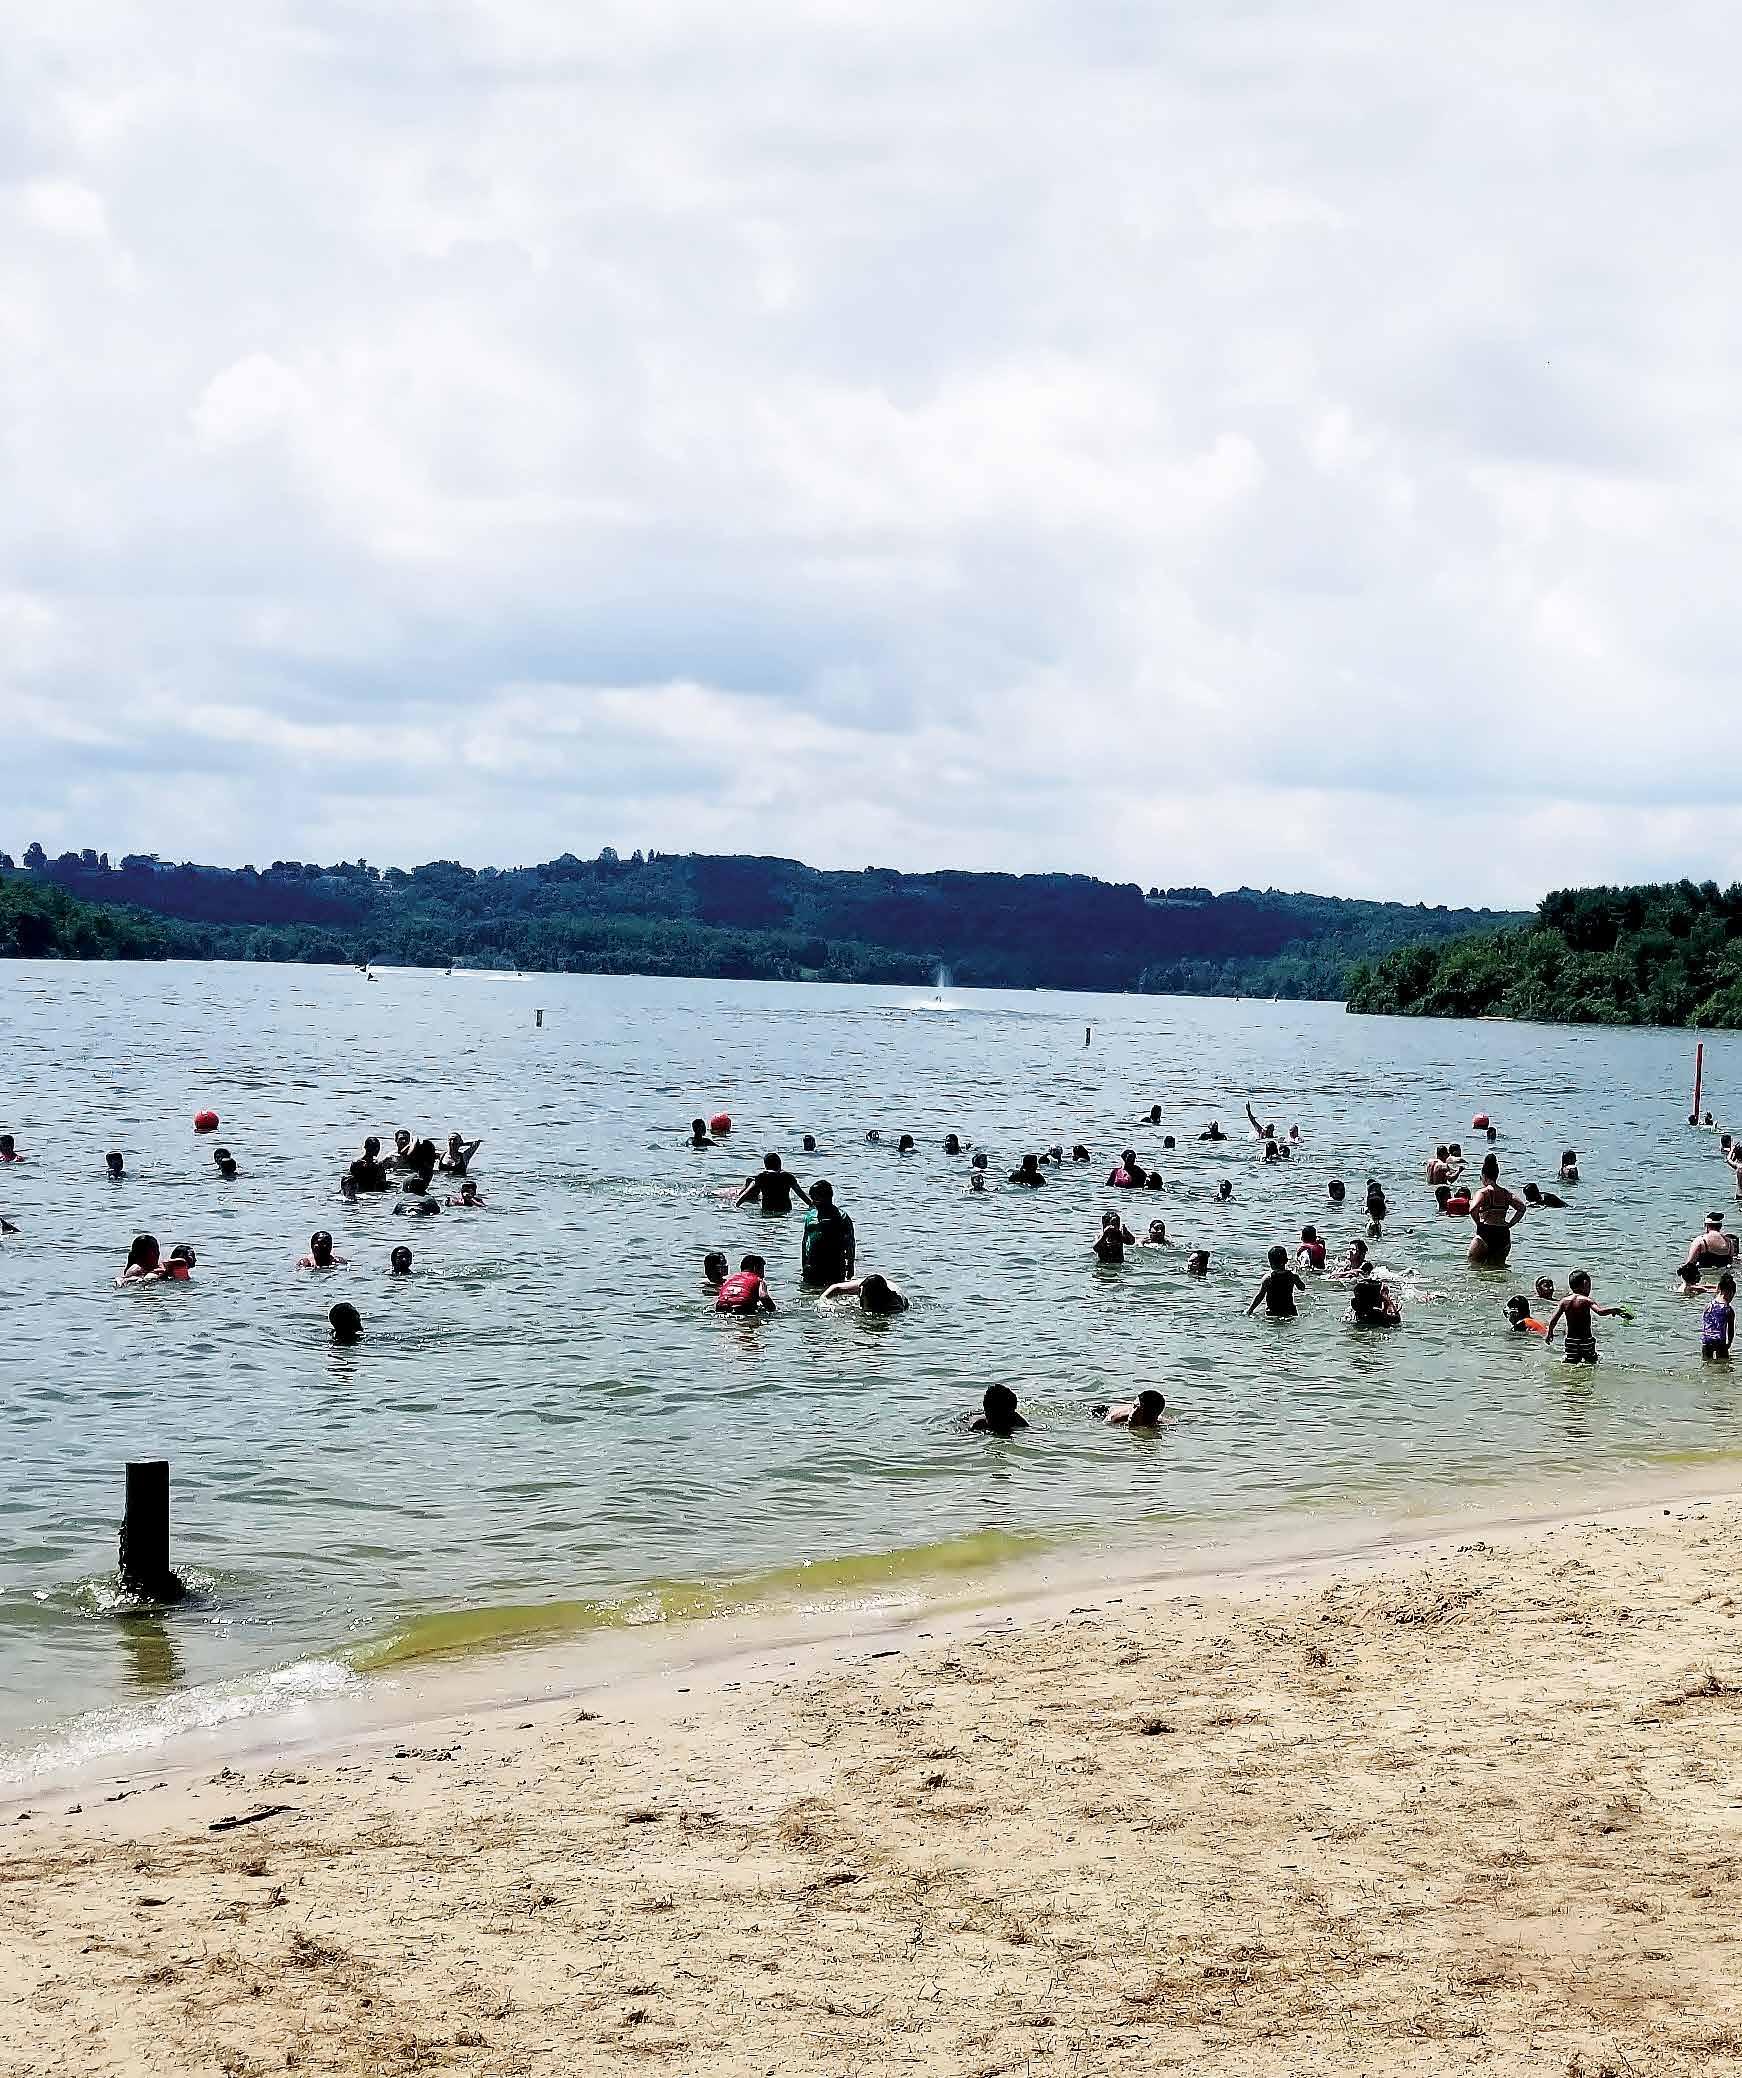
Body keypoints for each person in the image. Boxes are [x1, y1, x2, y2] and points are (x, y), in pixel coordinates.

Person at [1545, 1269, 1625, 1365]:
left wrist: (1550, 1332)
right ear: (1585, 1284)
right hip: (1586, 1340)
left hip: (1571, 1341)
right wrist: (1614, 1310)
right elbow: (1600, 1312)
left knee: (1571, 1362)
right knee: (1591, 1361)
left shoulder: (1564, 1301)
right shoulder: (1586, 1300)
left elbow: (1554, 1319)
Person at [1467, 1155, 1525, 1265]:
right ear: (1497, 1175)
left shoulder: (1483, 1192)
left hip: (1486, 1232)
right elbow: (1522, 1208)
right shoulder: (1506, 1193)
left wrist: (1478, 1222)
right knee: (1498, 1268)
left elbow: (1472, 1209)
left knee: (1474, 1267)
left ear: (1484, 1176)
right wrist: (1510, 1224)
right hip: (1503, 1234)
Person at [801, 1180, 856, 1288]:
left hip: (834, 1265)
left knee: (833, 1293)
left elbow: (850, 1244)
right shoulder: (810, 1216)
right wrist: (804, 1264)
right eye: (812, 1198)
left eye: (816, 1198)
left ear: (828, 1197)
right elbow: (805, 1242)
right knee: (808, 1293)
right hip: (812, 1264)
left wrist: (850, 1267)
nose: (813, 1202)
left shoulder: (842, 1217)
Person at [736, 1152, 812, 1214]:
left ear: (766, 1166)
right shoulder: (788, 1177)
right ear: (780, 1164)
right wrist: (812, 1206)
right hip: (785, 1211)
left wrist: (736, 1207)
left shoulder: (762, 1177)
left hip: (767, 1210)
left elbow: (744, 1196)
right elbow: (803, 1196)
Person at [1248, 1245, 1306, 1318]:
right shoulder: (1292, 1276)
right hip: (1290, 1311)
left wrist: (1250, 1310)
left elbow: (1260, 1296)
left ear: (1270, 1262)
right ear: (1286, 1261)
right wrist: (1296, 1276)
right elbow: (1302, 1288)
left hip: (1272, 1313)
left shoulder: (1268, 1278)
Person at [822, 1272, 909, 1313]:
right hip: (876, 1284)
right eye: (860, 1292)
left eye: (863, 1294)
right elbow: (835, 1287)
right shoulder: (863, 1286)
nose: (860, 1295)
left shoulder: (894, 1306)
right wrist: (822, 1301)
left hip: (882, 1287)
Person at [1702, 1273, 1736, 1362]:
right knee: (1724, 1365)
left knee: (1706, 1364)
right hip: (1720, 1342)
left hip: (1707, 1341)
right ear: (1731, 1293)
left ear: (1719, 1288)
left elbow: (1705, 1324)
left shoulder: (1708, 1306)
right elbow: (1731, 1330)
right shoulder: (1728, 1310)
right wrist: (1729, 1343)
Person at [1096, 1390, 1166, 1428]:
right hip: (1103, 1413)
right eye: (1134, 1406)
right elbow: (1105, 1424)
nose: (1133, 1413)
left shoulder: (1157, 1421)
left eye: (1140, 1410)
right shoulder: (1118, 1418)